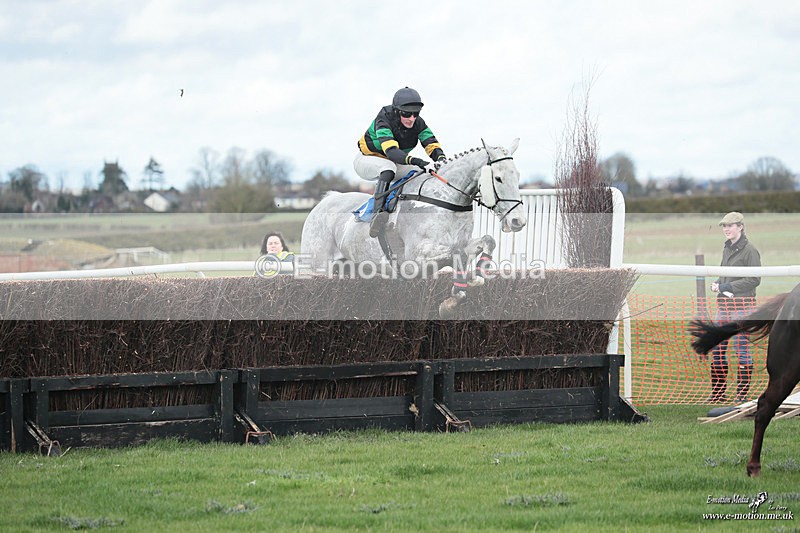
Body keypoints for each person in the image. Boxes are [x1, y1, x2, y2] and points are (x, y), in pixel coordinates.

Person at [355, 86, 447, 237]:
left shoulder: (418, 123)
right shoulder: (383, 119)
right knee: (389, 167)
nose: (412, 118)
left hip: (393, 162)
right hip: (367, 159)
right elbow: (391, 152)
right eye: (407, 114)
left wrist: (441, 160)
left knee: (419, 173)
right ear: (397, 111)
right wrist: (420, 161)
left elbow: (431, 143)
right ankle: (376, 215)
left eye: (415, 114)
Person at [707, 211, 761, 403]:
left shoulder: (750, 250)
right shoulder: (727, 248)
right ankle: (718, 394)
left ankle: (741, 395)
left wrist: (728, 286)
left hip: (743, 308)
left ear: (740, 227)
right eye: (724, 226)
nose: (726, 229)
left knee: (741, 350)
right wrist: (718, 283)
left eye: (730, 226)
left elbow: (754, 279)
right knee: (718, 349)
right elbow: (725, 273)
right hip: (724, 307)